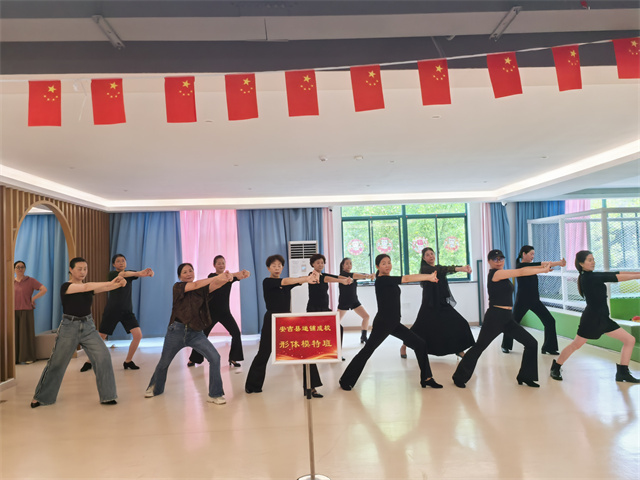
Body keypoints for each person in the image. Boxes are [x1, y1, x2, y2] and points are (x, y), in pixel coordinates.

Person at [31, 257, 126, 408]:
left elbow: (107, 287)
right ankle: (42, 397)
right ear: (71, 269)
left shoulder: (88, 288)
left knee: (103, 356)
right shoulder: (66, 287)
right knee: (57, 363)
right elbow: (86, 287)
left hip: (88, 327)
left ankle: (108, 396)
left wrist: (120, 283)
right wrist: (112, 282)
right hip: (69, 327)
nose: (83, 272)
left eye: (85, 269)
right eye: (79, 269)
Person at [339, 253, 443, 391]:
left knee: (420, 344)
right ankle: (345, 380)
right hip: (384, 323)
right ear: (377, 267)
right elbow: (407, 278)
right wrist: (428, 277)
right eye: (383, 263)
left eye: (389, 262)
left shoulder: (388, 280)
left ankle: (427, 378)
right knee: (367, 351)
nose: (387, 265)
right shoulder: (382, 280)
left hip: (394, 323)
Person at [452, 250, 552, 389]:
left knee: (531, 343)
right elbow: (521, 272)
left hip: (507, 318)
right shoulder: (495, 274)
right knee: (479, 347)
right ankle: (458, 377)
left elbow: (525, 269)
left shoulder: (503, 274)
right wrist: (542, 270)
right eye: (495, 259)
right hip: (495, 317)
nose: (498, 261)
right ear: (489, 261)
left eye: (501, 258)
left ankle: (526, 376)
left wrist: (544, 267)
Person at [145, 263, 233, 405]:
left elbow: (216, 285)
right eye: (185, 272)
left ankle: (215, 394)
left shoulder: (201, 290)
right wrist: (217, 277)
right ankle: (155, 388)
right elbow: (197, 284)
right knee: (164, 363)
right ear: (180, 276)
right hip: (176, 332)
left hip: (195, 332)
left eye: (190, 270)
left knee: (215, 357)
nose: (188, 274)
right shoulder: (178, 287)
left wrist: (228, 277)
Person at [550, 250, 640, 383]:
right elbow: (616, 277)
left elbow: (616, 273)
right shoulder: (589, 278)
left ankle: (623, 373)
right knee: (576, 345)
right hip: (591, 320)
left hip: (603, 318)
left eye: (593, 259)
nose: (593, 262)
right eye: (589, 260)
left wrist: (638, 274)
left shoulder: (592, 275)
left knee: (629, 340)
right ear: (581, 264)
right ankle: (556, 367)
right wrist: (637, 276)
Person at [245, 254, 322, 396]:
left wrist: (310, 277)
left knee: (305, 349)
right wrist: (306, 279)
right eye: (273, 266)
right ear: (268, 268)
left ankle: (311, 386)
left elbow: (297, 281)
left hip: (287, 320)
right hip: (272, 319)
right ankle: (252, 385)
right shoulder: (267, 282)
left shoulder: (286, 284)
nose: (277, 268)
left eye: (279, 266)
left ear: (282, 267)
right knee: (264, 353)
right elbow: (286, 281)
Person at [80, 254, 154, 372]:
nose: (121, 263)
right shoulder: (112, 274)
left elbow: (134, 274)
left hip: (127, 312)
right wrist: (140, 273)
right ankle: (89, 361)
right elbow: (123, 274)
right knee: (101, 337)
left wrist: (148, 273)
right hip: (112, 311)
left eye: (123, 260)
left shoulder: (129, 274)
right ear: (114, 264)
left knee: (138, 335)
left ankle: (128, 361)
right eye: (118, 261)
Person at [400, 247, 475, 359]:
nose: (431, 256)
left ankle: (459, 349)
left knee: (460, 323)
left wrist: (462, 268)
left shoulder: (438, 268)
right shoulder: (425, 269)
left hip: (442, 303)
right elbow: (442, 270)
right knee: (419, 327)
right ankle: (404, 346)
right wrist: (460, 268)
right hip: (429, 304)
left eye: (432, 253)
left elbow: (445, 270)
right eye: (427, 255)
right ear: (423, 258)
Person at [187, 255, 250, 368]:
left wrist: (244, 273)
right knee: (202, 335)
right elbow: (223, 277)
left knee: (236, 333)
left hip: (225, 313)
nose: (221, 265)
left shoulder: (230, 278)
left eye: (223, 263)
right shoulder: (212, 276)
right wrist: (234, 275)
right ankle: (194, 359)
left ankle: (233, 358)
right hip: (211, 313)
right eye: (219, 263)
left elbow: (239, 276)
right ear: (214, 265)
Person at [501, 245, 565, 355]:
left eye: (533, 254)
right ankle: (505, 345)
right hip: (522, 301)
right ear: (524, 254)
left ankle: (549, 347)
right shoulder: (520, 266)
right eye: (531, 254)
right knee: (513, 322)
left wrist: (558, 264)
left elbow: (544, 265)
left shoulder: (532, 266)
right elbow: (542, 265)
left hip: (535, 300)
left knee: (550, 321)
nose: (533, 256)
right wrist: (555, 264)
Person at [14, 260, 47, 364]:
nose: (20, 269)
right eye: (18, 267)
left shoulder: (30, 280)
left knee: (26, 335)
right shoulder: (10, 281)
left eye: (22, 267)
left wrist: (33, 298)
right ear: (14, 269)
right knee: (15, 335)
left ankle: (28, 357)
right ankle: (15, 358)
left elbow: (44, 289)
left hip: (26, 310)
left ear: (25, 269)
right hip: (13, 312)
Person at [337, 257, 374, 344]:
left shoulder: (354, 275)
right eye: (347, 263)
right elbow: (356, 275)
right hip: (344, 302)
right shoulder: (342, 275)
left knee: (366, 316)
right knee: (336, 321)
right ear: (342, 265)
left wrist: (369, 275)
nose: (349, 265)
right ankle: (332, 338)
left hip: (354, 301)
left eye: (350, 263)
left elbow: (360, 275)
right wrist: (368, 276)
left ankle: (363, 336)